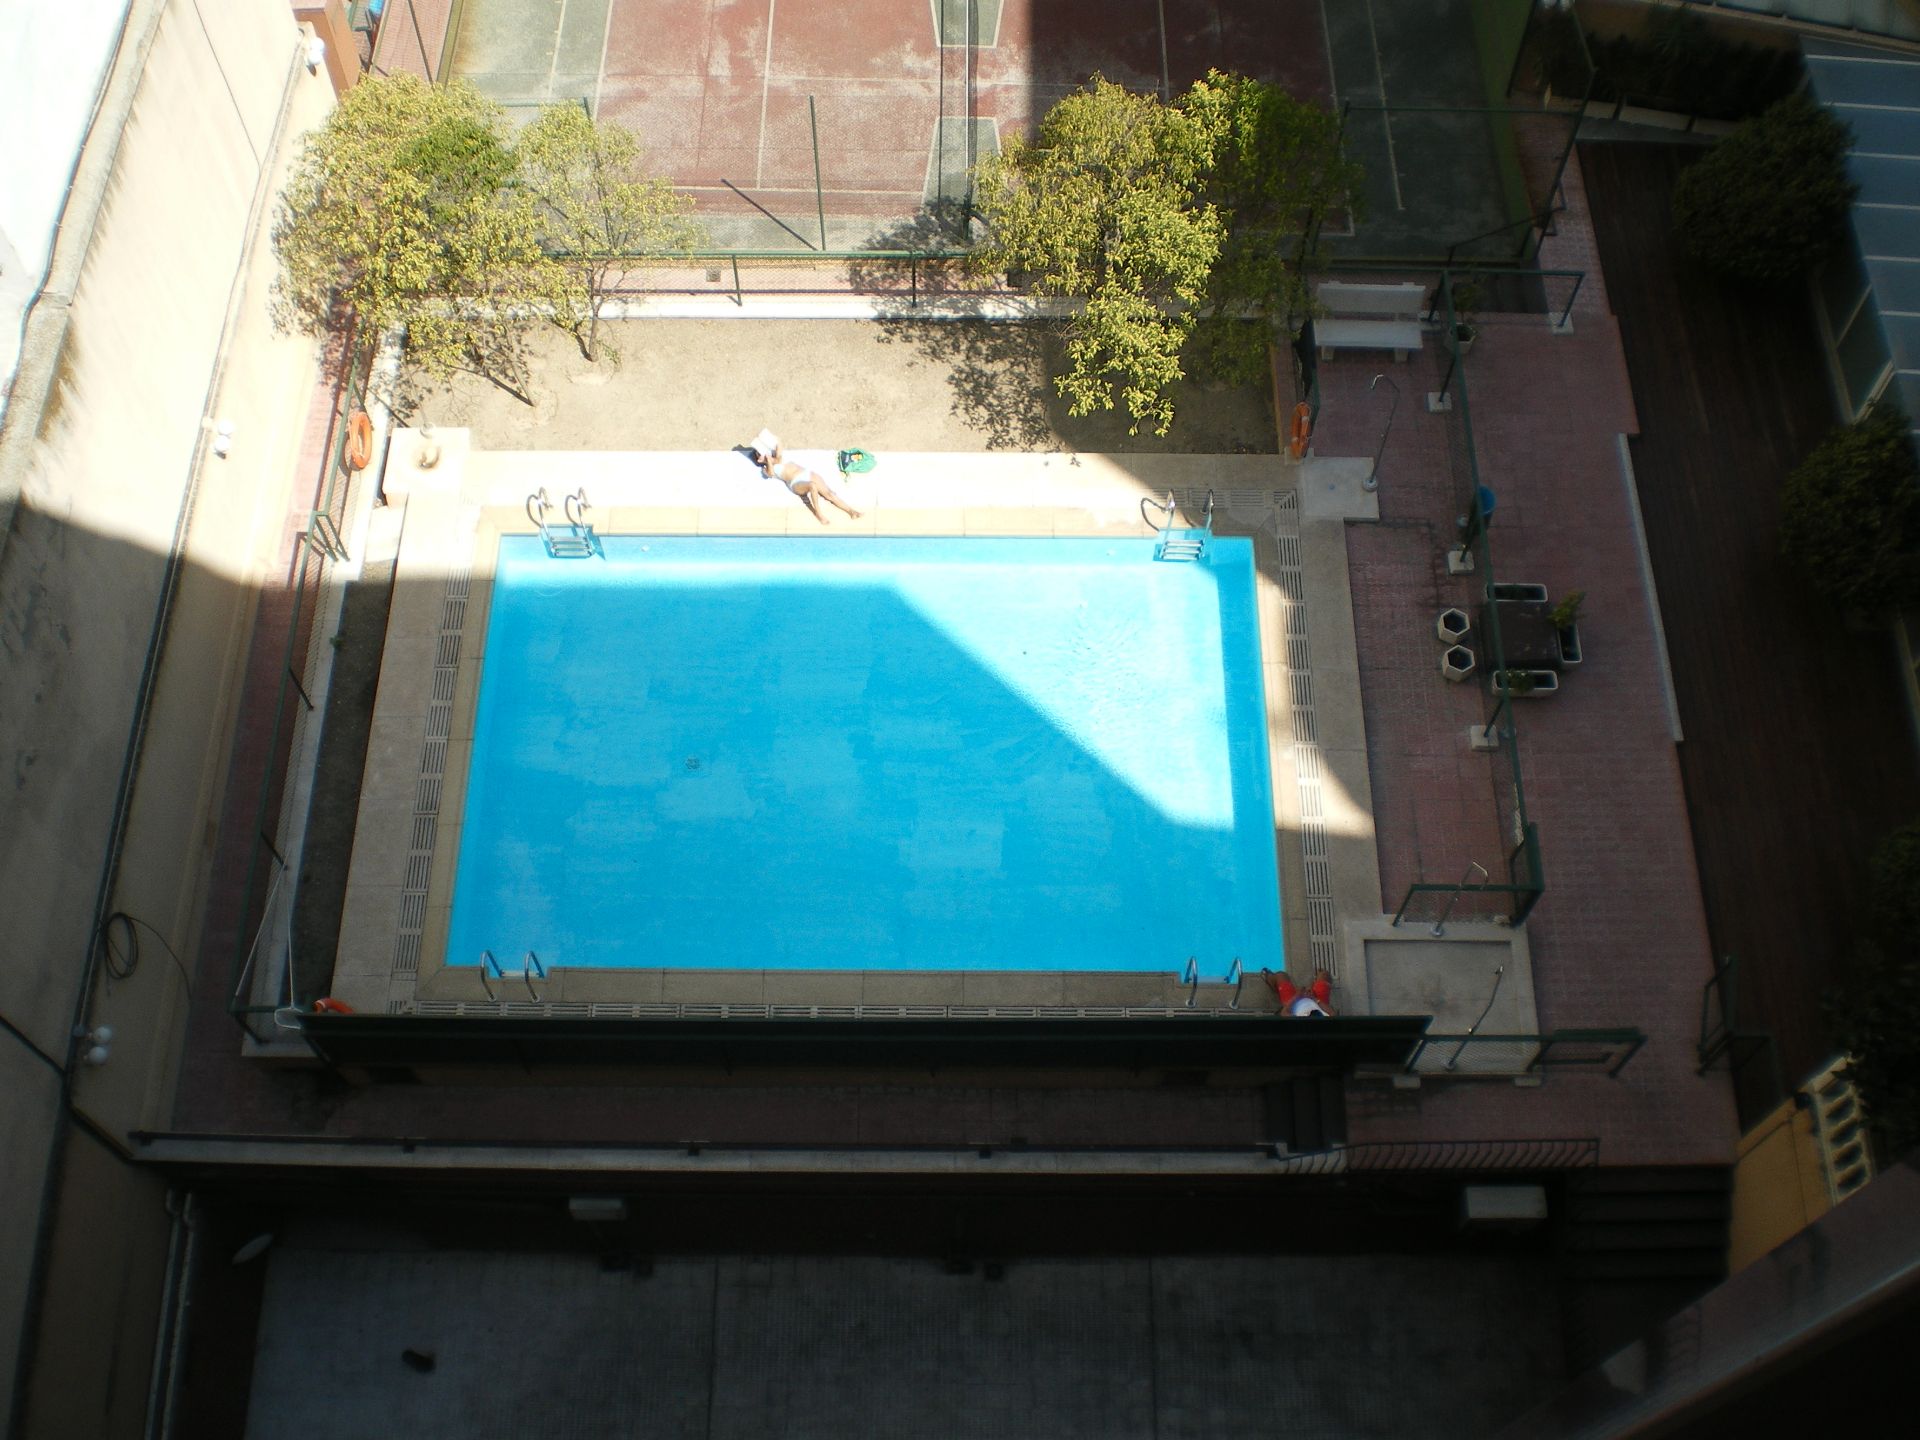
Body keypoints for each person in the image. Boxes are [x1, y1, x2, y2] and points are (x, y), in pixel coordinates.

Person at [748, 429, 862, 525]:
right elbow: (771, 474)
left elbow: (779, 443)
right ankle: (818, 513)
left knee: (829, 494)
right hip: (795, 483)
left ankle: (851, 511)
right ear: (759, 459)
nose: (763, 454)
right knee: (812, 486)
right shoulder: (766, 469)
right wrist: (768, 461)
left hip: (806, 473)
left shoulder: (777, 456)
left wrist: (767, 436)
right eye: (760, 454)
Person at [1263, 966, 1334, 1018]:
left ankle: (1270, 979)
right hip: (1317, 1001)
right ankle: (1314, 983)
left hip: (1293, 1001)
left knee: (1280, 975)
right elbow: (1331, 1012)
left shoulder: (1299, 1020)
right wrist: (1313, 998)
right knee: (1325, 975)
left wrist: (1297, 996)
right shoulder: (1323, 1017)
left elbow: (1284, 1012)